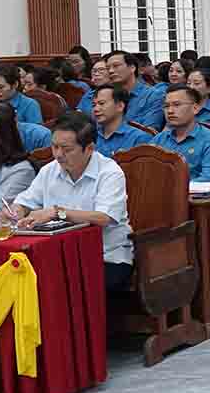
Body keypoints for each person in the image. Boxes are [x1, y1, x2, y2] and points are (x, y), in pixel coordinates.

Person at [13, 112, 134, 289]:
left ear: (90, 148)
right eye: (54, 147)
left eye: (67, 149)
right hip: (56, 255)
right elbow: (26, 201)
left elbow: (104, 217)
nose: (58, 155)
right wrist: (17, 210)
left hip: (105, 256)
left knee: (61, 284)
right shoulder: (49, 170)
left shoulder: (109, 173)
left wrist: (57, 212)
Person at [152, 85, 210, 182]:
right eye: (166, 106)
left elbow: (209, 178)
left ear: (195, 108)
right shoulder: (160, 139)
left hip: (192, 194)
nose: (170, 111)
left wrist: (174, 189)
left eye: (177, 105)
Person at [91, 85, 155, 157]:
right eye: (93, 105)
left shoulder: (139, 138)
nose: (96, 109)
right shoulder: (90, 136)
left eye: (101, 103)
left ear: (120, 106)